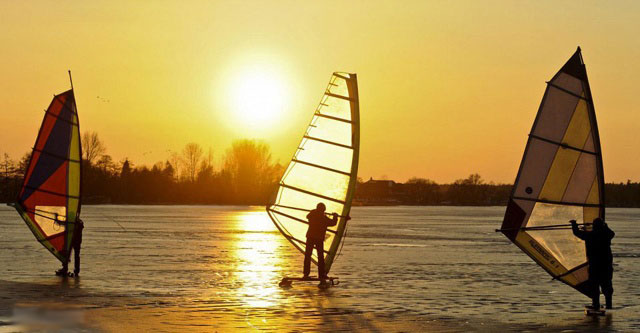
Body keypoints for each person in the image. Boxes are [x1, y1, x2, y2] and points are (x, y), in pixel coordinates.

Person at [570, 218, 615, 309]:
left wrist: (574, 225)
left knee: (594, 286)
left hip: (595, 265)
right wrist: (605, 225)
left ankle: (596, 304)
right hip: (606, 265)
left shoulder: (590, 235)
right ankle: (609, 304)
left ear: (594, 226)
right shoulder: (606, 234)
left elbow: (577, 233)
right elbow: (612, 233)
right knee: (607, 285)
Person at [303, 203, 343, 280]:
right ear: (323, 210)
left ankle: (306, 274)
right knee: (320, 257)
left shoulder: (312, 215)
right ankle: (322, 274)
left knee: (308, 255)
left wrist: (314, 211)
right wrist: (335, 217)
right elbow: (333, 223)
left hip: (310, 237)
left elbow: (308, 216)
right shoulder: (323, 218)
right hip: (318, 239)